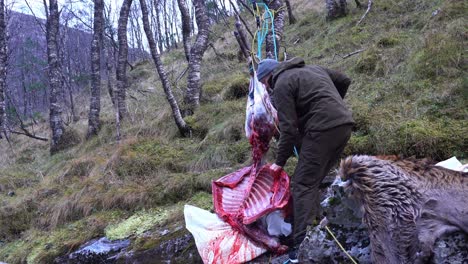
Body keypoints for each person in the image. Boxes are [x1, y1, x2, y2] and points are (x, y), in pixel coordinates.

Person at [256, 57, 354, 263]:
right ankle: (321, 224)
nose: (266, 88)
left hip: (322, 130)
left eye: (264, 84)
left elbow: (289, 130)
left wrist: (278, 162)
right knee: (314, 179)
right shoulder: (314, 69)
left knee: (301, 183)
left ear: (267, 79)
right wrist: (333, 104)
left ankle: (301, 245)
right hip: (344, 124)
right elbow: (344, 80)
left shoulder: (281, 84)